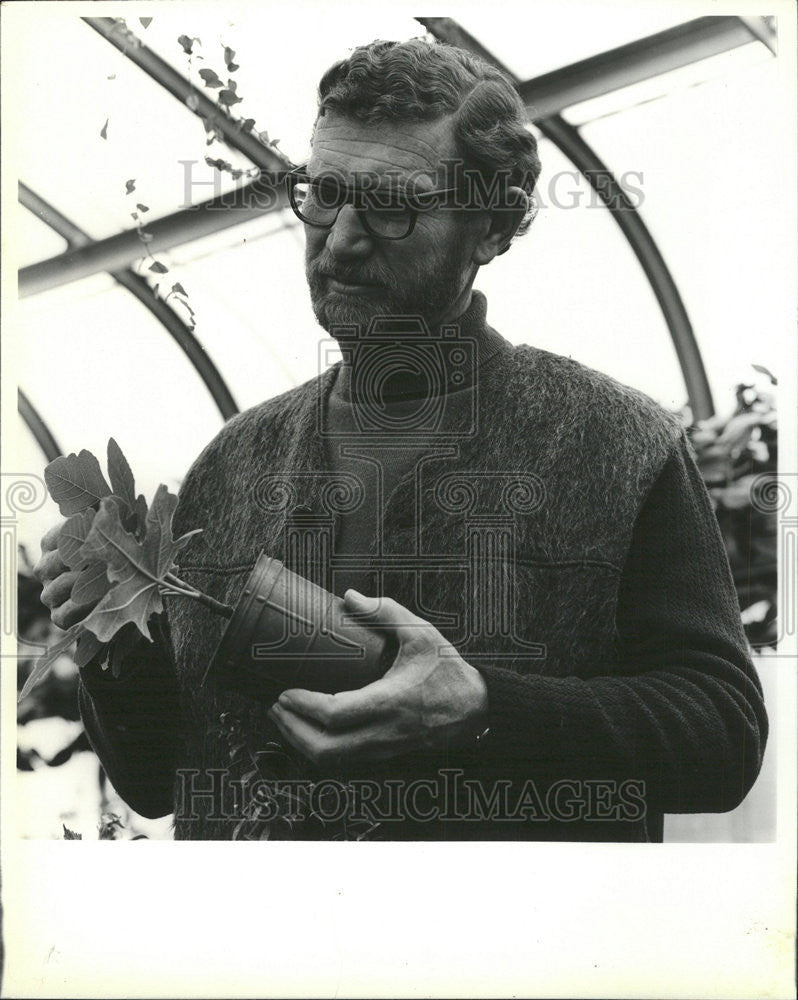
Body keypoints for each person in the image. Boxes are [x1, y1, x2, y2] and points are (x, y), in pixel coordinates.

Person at [34, 38, 767, 841]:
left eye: (391, 203)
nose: (341, 239)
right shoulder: (233, 463)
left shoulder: (616, 443)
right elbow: (154, 781)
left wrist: (486, 707)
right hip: (253, 955)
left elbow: (724, 736)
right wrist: (113, 644)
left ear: (490, 227)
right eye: (323, 192)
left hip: (507, 960)